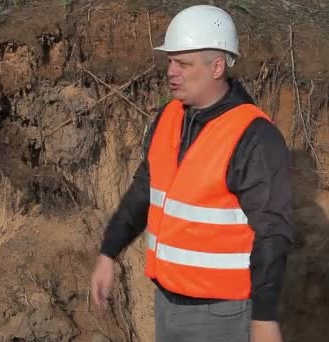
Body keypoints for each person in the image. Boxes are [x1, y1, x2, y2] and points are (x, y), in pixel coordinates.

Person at [90, 5, 294, 342]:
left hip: (221, 314)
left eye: (183, 64)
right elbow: (145, 189)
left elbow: (272, 231)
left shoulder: (253, 136)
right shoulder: (170, 116)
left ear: (216, 66)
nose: (172, 71)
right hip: (168, 303)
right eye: (170, 61)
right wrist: (109, 252)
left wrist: (264, 318)